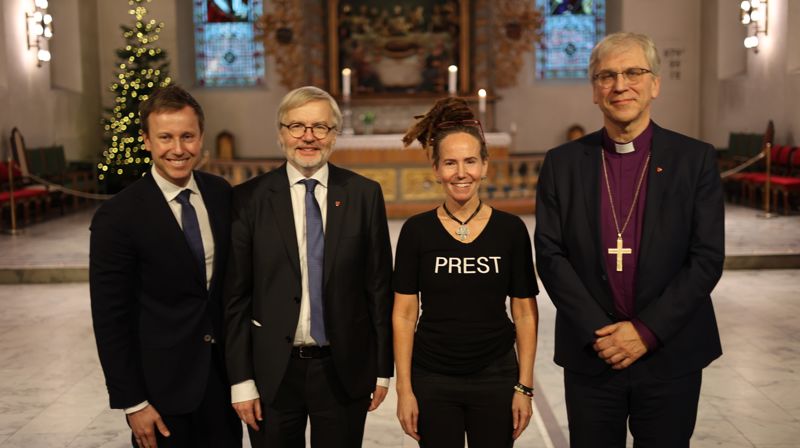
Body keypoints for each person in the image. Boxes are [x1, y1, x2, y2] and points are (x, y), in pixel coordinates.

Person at [534, 32, 724, 447]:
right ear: (594, 91)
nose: (620, 85)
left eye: (633, 72)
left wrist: (646, 331)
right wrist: (601, 333)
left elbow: (706, 258)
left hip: (670, 350)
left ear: (655, 84)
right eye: (607, 76)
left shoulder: (694, 159)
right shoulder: (562, 164)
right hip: (593, 353)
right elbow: (550, 254)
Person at [223, 86, 394, 448]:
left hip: (343, 369)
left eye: (320, 127)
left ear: (334, 134)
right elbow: (235, 297)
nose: (308, 137)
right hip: (271, 372)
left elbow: (378, 288)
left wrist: (382, 369)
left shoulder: (364, 195)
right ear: (281, 132)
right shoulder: (248, 198)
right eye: (297, 126)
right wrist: (241, 380)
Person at [90, 85, 242, 448]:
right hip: (160, 391)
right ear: (146, 140)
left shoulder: (220, 193)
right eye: (165, 137)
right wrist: (133, 402)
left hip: (221, 385)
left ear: (201, 137)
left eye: (187, 136)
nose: (178, 148)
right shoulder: (117, 216)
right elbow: (110, 318)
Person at [393, 97, 539, 448]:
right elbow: (404, 313)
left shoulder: (510, 230)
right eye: (450, 163)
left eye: (470, 161)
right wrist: (404, 390)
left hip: (496, 374)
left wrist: (524, 387)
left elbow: (524, 312)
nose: (461, 173)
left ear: (485, 165)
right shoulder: (416, 231)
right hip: (432, 376)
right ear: (436, 169)